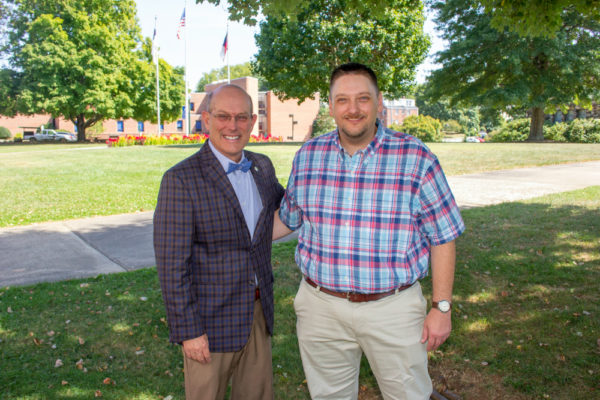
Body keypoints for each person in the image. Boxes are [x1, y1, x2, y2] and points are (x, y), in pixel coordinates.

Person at [273, 63, 465, 400]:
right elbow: (288, 218)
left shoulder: (415, 157)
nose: (353, 109)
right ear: (330, 106)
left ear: (379, 102)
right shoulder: (308, 156)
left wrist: (442, 307)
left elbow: (443, 236)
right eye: (343, 100)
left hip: (393, 309)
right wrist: (233, 234)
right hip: (321, 308)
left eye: (363, 98)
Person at [154, 84, 284, 400]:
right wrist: (189, 332)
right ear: (208, 119)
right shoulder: (181, 180)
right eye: (223, 116)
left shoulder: (262, 166)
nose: (232, 126)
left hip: (257, 313)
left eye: (241, 117)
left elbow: (288, 208)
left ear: (253, 121)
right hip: (209, 324)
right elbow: (172, 267)